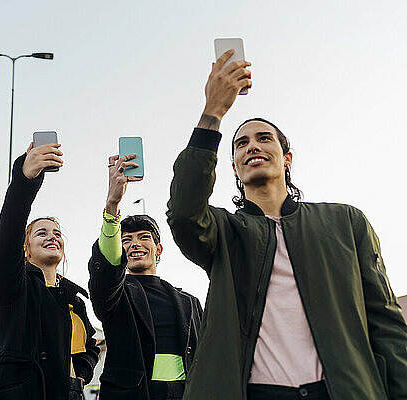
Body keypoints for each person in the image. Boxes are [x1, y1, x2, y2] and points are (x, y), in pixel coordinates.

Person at [166, 49, 407, 400]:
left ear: (287, 157)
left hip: (342, 391)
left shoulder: (346, 221)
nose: (253, 146)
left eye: (264, 139)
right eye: (241, 143)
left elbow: (385, 323)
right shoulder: (223, 231)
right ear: (233, 167)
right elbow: (184, 212)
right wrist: (213, 112)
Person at [0, 143, 100, 400]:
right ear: (25, 248)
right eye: (42, 232)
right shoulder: (14, 285)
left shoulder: (74, 299)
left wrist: (81, 373)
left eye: (57, 233)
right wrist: (24, 182)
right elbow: (7, 236)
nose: (52, 237)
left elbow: (91, 344)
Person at [87, 154, 203, 400]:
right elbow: (106, 271)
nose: (134, 244)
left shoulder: (190, 302)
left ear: (158, 249)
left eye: (143, 237)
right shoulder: (115, 294)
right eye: (126, 240)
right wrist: (112, 206)